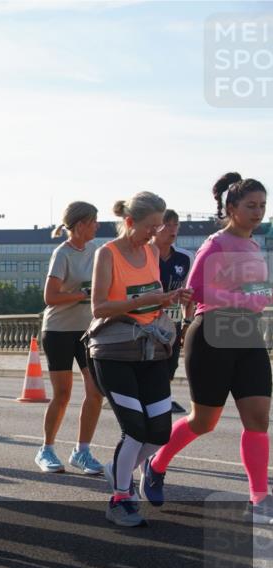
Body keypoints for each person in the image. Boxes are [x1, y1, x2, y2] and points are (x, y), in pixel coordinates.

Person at [141, 174, 271, 524]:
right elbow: (196, 290)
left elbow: (254, 291)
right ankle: (156, 464)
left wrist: (260, 298)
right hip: (212, 334)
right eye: (251, 206)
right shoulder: (215, 245)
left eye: (262, 205)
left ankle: (259, 497)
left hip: (247, 335)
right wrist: (247, 298)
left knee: (258, 418)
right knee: (204, 421)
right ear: (231, 208)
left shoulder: (255, 246)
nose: (258, 212)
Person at [87, 192, 192, 527]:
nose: (155, 233)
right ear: (130, 222)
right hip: (114, 352)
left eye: (159, 226)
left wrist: (169, 299)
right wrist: (142, 301)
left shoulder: (149, 252)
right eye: (150, 226)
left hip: (150, 351)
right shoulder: (107, 253)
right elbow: (99, 308)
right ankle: (120, 498)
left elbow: (151, 302)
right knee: (134, 429)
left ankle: (118, 469)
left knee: (160, 431)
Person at [35, 202, 105, 475]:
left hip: (88, 330)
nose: (97, 226)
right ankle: (47, 449)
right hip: (59, 330)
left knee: (96, 390)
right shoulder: (61, 254)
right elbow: (50, 297)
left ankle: (82, 451)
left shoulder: (97, 252)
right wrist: (81, 295)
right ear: (80, 225)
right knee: (62, 394)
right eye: (94, 221)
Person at [151, 209, 195, 414]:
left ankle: (164, 398)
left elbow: (190, 294)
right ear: (155, 227)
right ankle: (151, 398)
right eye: (166, 225)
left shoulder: (185, 257)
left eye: (175, 225)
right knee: (148, 360)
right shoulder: (144, 254)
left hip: (174, 320)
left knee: (171, 361)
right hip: (147, 319)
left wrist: (188, 322)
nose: (172, 229)